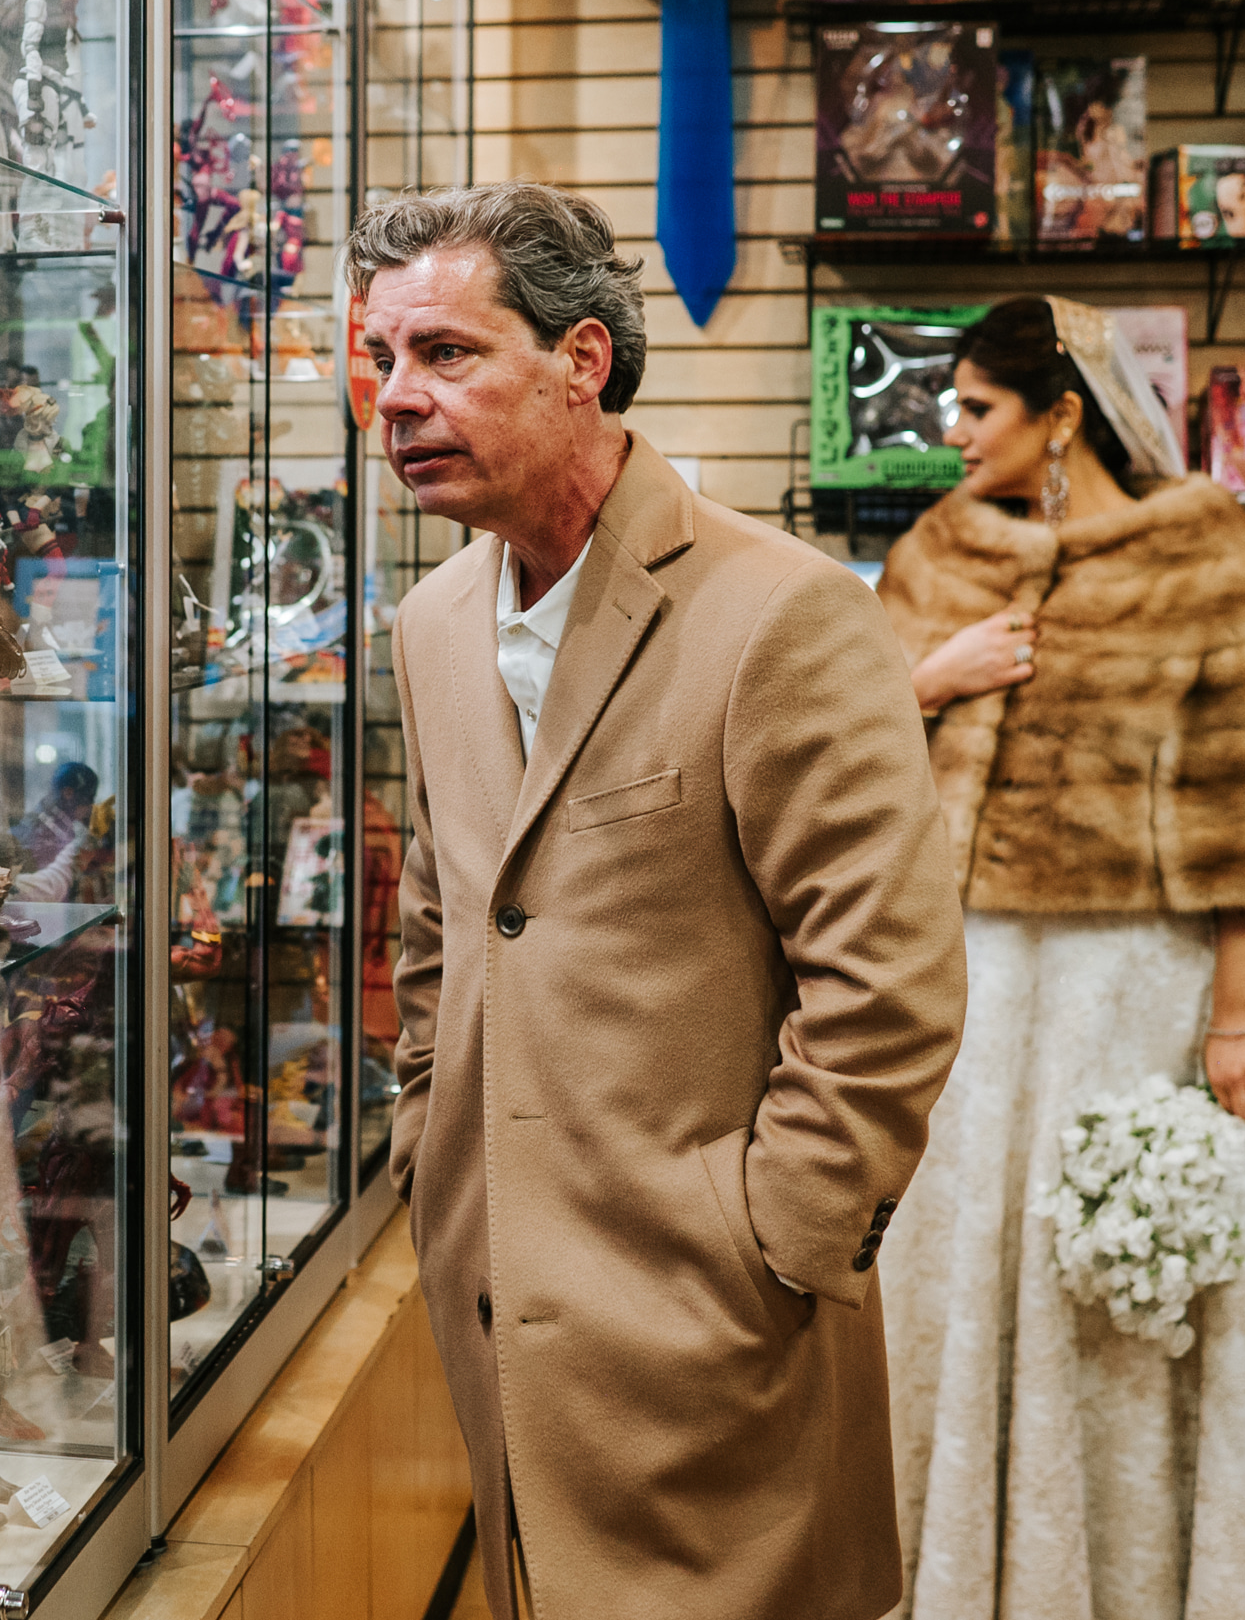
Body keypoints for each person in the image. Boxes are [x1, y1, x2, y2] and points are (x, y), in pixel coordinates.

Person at [358, 180, 968, 1619]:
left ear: (581, 361)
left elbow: (887, 982)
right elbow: (443, 923)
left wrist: (778, 1244)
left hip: (717, 1339)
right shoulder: (430, 622)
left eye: (446, 352)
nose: (396, 396)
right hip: (498, 1326)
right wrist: (430, 1150)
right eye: (381, 356)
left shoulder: (782, 611)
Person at [874, 295, 1245, 1620]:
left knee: (1107, 1274)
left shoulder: (1207, 557)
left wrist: (1236, 1016)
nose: (952, 429)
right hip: (964, 987)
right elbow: (833, 760)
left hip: (1126, 989)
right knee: (961, 1264)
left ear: (1060, 417)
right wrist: (930, 677)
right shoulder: (938, 552)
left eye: (977, 406)